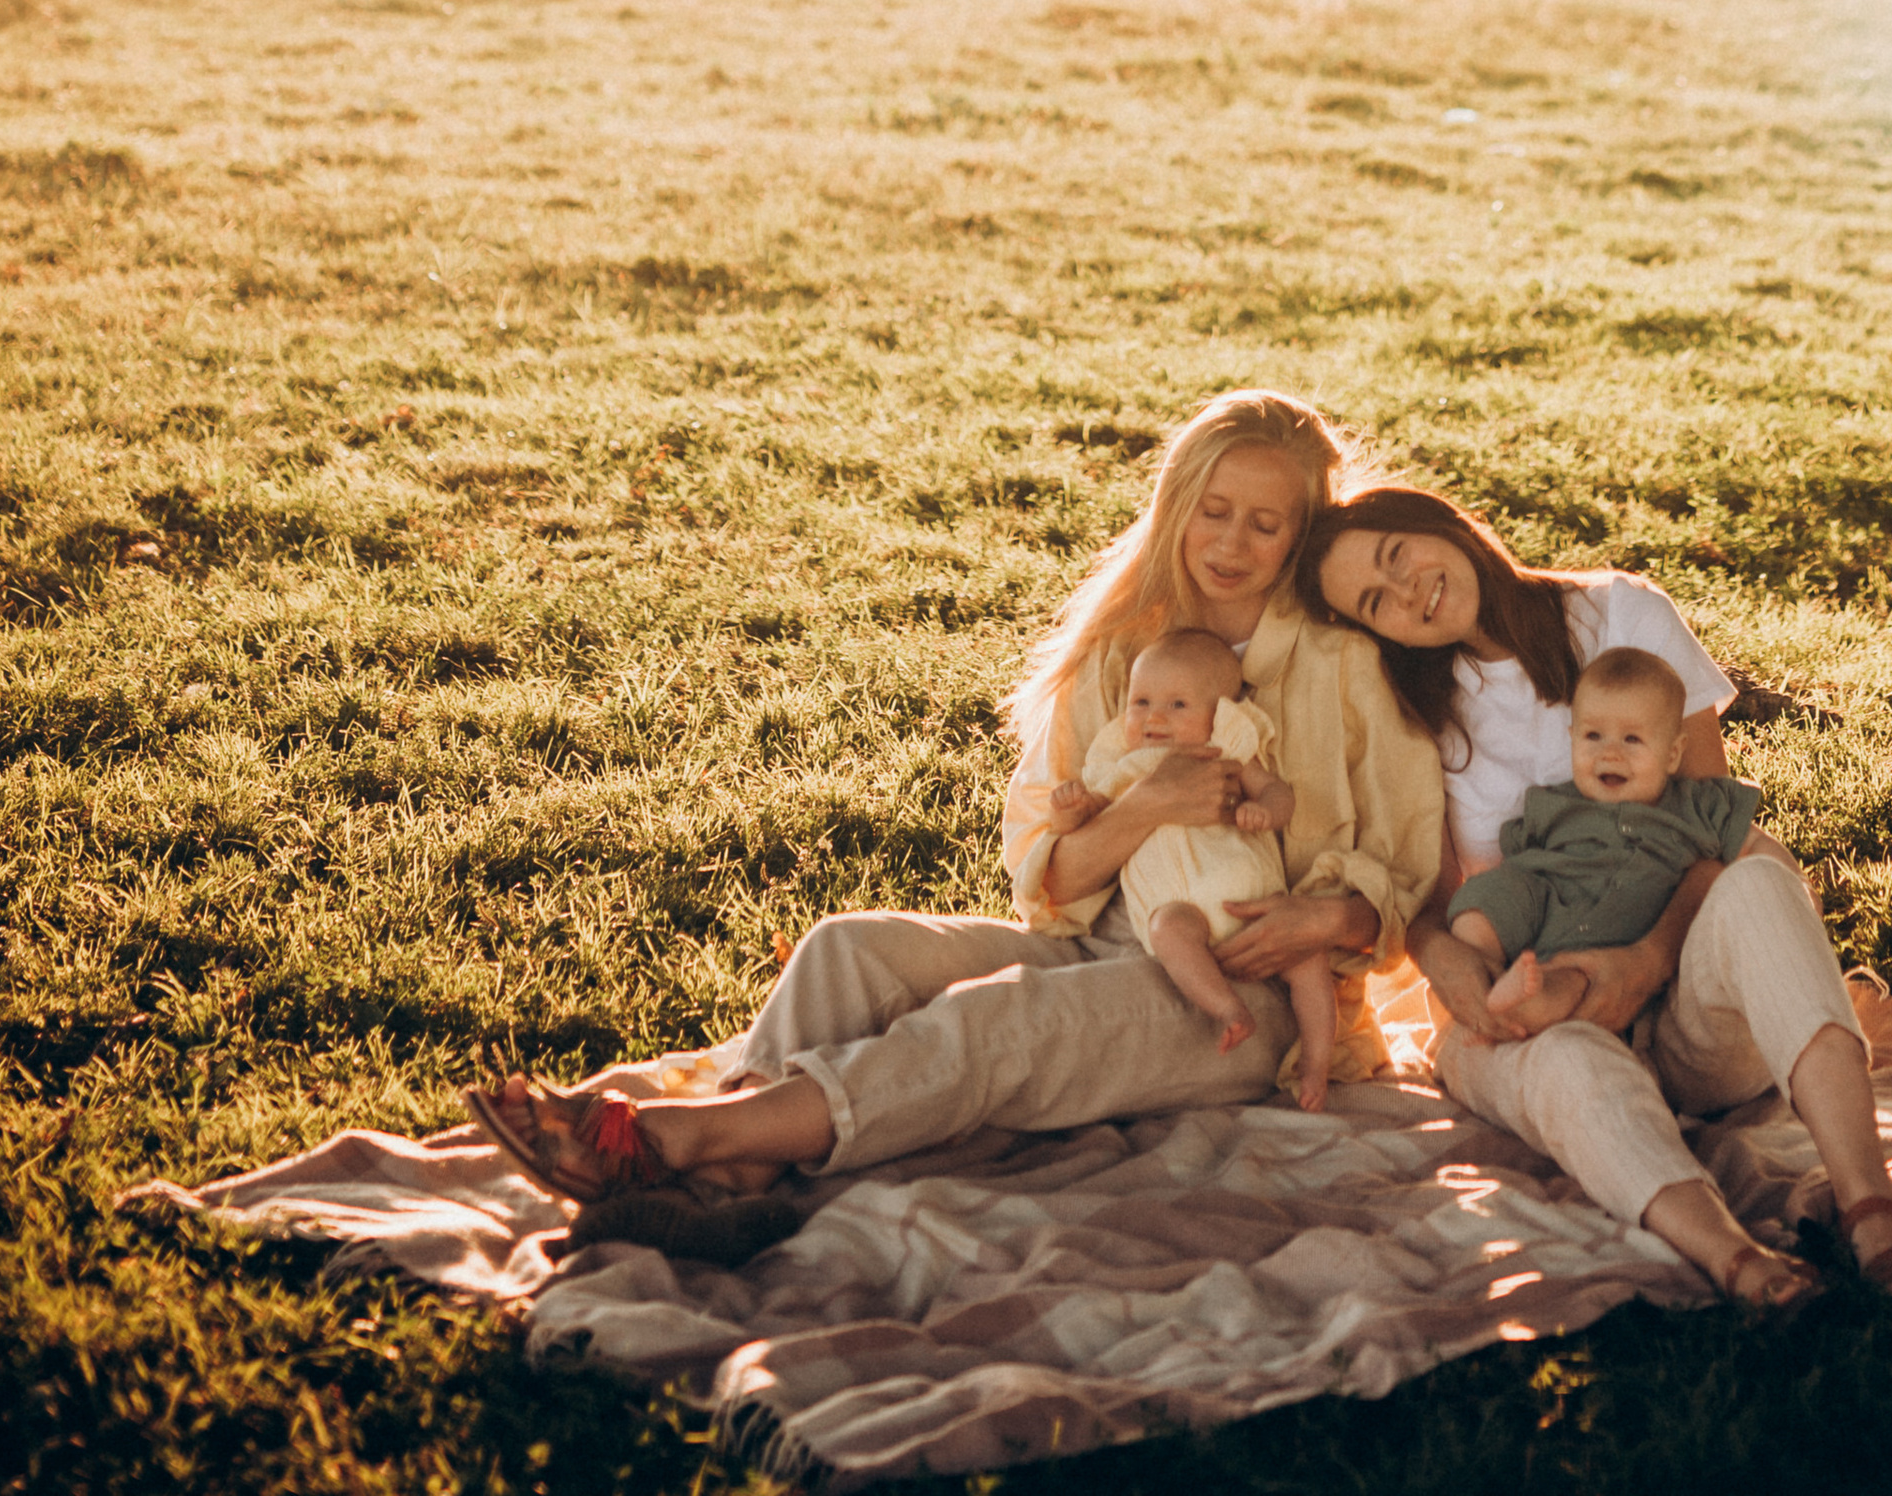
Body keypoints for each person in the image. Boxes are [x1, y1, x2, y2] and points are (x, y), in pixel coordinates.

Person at [468, 391, 1438, 1222]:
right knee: (849, 947)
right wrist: (1147, 808)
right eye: (1213, 511)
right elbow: (1050, 888)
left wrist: (1322, 914)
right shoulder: (1118, 660)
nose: (1232, 542)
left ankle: (671, 1145)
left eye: (1265, 524)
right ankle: (741, 1172)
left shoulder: (1343, 665)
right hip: (1107, 943)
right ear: (1176, 507)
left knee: (993, 1024)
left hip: (1255, 998)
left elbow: (1400, 875)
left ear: (1303, 532)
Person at [1308, 484, 1892, 1310]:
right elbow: (1434, 902)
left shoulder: (1619, 615)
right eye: (1374, 602)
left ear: (1440, 525)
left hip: (1690, 1007)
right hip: (1540, 1006)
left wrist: (1644, 963)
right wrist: (1448, 968)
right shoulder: (1418, 706)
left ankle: (1873, 1212)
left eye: (1397, 556)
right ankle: (1740, 1264)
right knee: (1568, 1060)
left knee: (1759, 869)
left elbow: (1707, 832)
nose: (1406, 594)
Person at [1054, 623, 1339, 1107]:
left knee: (1310, 962)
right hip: (1185, 908)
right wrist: (1073, 809)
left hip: (1253, 902)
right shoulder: (1126, 764)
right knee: (1167, 929)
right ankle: (1227, 1008)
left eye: (1177, 705)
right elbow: (1093, 820)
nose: (1154, 718)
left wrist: (1266, 810)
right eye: (1140, 702)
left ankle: (1316, 1060)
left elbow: (1276, 791)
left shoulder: (1226, 751)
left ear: (1219, 715)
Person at [1446, 643, 1759, 1040]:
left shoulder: (1699, 806)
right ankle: (1485, 969)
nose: (1609, 753)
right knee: (1490, 894)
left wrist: (1788, 890)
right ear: (1572, 737)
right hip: (1555, 911)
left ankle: (1529, 1005)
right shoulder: (1553, 804)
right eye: (1593, 736)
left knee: (1573, 977)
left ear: (1673, 753)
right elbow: (1522, 862)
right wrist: (1509, 894)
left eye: (1632, 740)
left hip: (1619, 942)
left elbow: (1756, 858)